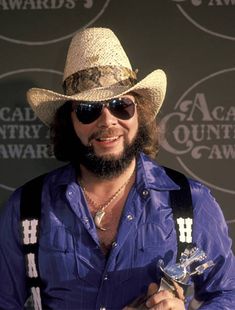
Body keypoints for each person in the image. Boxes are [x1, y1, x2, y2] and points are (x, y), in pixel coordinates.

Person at [0, 27, 234, 310]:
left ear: (140, 113)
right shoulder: (27, 207)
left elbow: (228, 294)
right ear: (69, 121)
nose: (107, 121)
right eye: (88, 109)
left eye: (120, 105)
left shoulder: (190, 202)